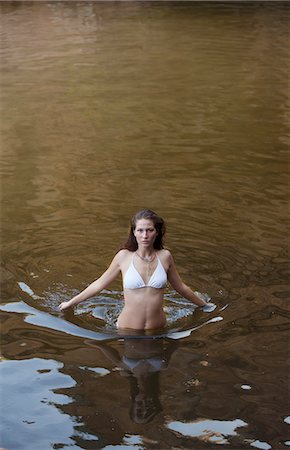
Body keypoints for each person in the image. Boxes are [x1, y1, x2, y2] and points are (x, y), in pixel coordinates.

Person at [59, 209, 213, 330]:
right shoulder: (123, 257)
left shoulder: (165, 256)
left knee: (158, 369)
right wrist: (70, 303)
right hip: (126, 330)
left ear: (157, 232)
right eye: (140, 230)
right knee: (129, 370)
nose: (144, 235)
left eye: (149, 230)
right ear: (134, 232)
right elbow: (99, 284)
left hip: (158, 330)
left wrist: (204, 306)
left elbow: (181, 288)